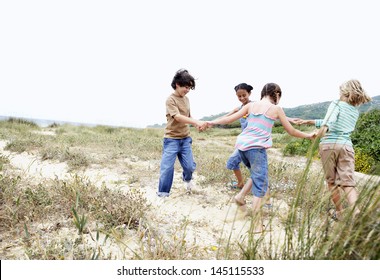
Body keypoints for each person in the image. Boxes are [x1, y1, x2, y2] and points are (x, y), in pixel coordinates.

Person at [207, 83, 315, 233]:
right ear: (276, 94)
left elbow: (229, 119)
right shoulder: (276, 109)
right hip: (256, 149)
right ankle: (257, 225)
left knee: (257, 175)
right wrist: (308, 135)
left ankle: (240, 196)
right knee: (260, 184)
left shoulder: (251, 106)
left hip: (242, 147)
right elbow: (291, 131)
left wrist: (210, 122)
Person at [293, 79, 372, 220]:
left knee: (332, 182)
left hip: (329, 145)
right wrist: (308, 121)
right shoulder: (355, 111)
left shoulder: (336, 104)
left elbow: (329, 123)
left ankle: (340, 213)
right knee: (348, 182)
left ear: (345, 93)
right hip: (346, 146)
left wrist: (318, 133)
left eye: (340, 92)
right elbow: (333, 122)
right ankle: (356, 211)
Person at [157, 69, 207, 198]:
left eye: (190, 88)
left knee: (190, 166)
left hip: (185, 139)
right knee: (167, 168)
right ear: (177, 84)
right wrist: (196, 121)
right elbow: (178, 117)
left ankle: (187, 179)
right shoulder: (170, 100)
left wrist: (196, 125)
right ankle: (163, 194)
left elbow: (188, 116)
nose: (187, 90)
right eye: (186, 87)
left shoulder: (187, 99)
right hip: (171, 139)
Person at [222, 83, 253, 189]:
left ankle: (260, 189)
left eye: (244, 95)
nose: (242, 98)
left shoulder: (255, 106)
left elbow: (271, 112)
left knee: (255, 168)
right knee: (232, 162)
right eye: (239, 96)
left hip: (254, 141)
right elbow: (225, 119)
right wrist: (233, 111)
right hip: (244, 142)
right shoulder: (239, 109)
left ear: (249, 93)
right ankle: (240, 183)